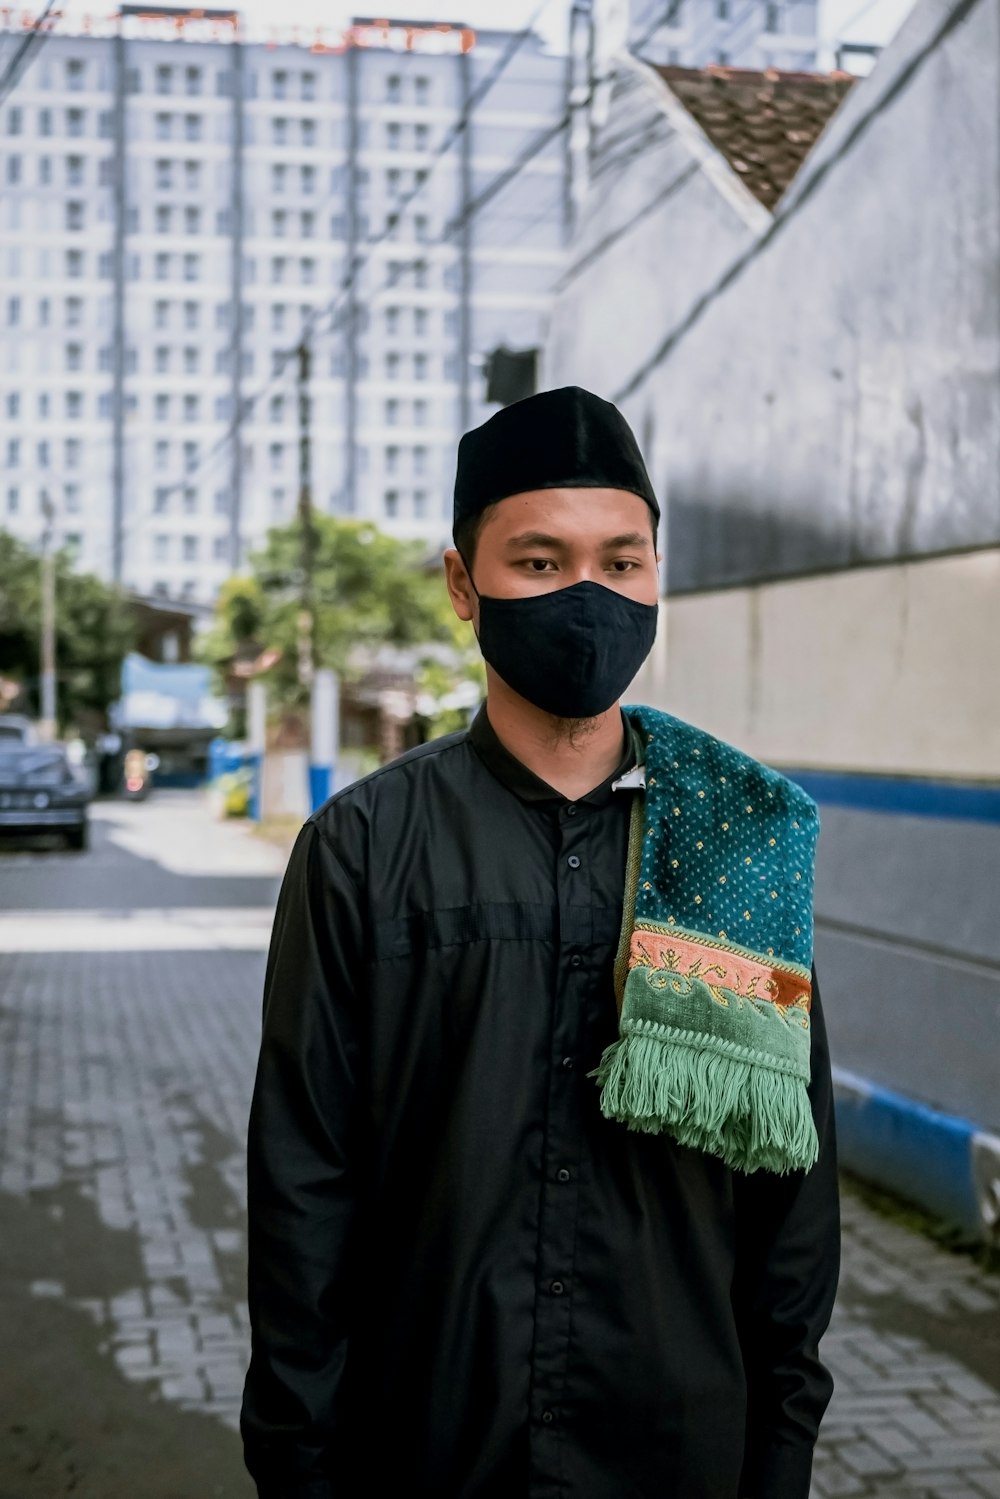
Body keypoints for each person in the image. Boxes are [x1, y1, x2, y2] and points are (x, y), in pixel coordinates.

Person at [240, 386, 840, 1499]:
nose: (586, 596)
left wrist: (779, 1448)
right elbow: (302, 1185)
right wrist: (297, 1457)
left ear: (658, 574)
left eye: (620, 562)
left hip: (678, 1449)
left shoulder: (732, 848)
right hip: (425, 1448)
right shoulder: (363, 851)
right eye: (538, 561)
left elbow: (789, 1194)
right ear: (463, 586)